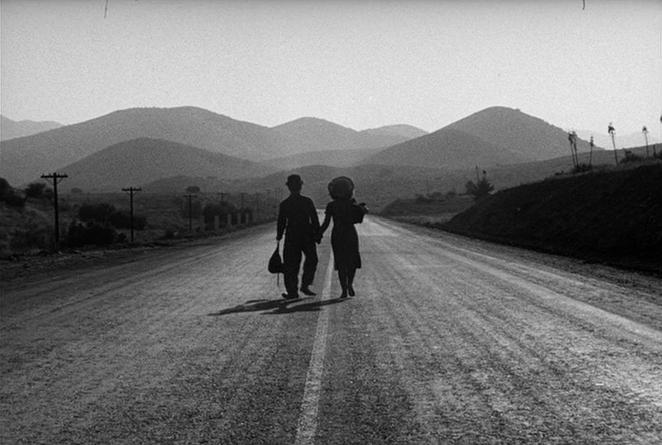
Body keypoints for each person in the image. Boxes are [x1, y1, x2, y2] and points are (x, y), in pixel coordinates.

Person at [319, 176, 367, 298]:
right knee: (352, 262)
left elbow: (326, 223)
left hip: (337, 235)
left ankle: (344, 289)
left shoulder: (331, 205)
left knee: (341, 263)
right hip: (350, 233)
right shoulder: (352, 204)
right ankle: (349, 284)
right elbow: (360, 215)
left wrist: (318, 234)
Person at [276, 174, 321, 299]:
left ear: (289, 187)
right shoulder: (307, 201)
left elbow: (281, 222)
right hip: (307, 235)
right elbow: (314, 220)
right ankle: (305, 285)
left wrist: (279, 235)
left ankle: (292, 291)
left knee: (290, 264)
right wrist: (317, 234)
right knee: (312, 259)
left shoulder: (285, 204)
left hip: (292, 236)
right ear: (300, 186)